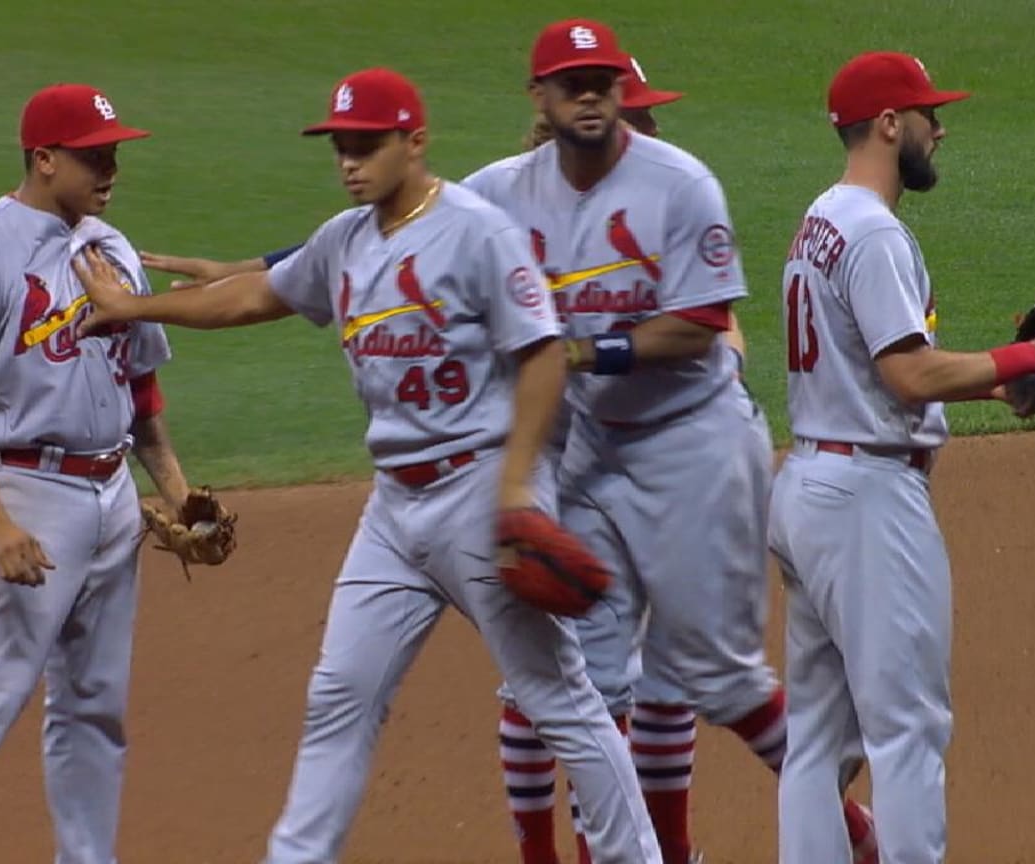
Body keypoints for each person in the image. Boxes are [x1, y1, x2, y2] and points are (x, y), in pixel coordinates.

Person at [73, 66, 660, 864]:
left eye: (366, 145)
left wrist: (519, 487)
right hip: (393, 513)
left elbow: (545, 356)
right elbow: (252, 298)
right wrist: (135, 309)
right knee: (339, 698)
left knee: (561, 700)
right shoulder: (344, 241)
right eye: (340, 146)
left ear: (414, 142)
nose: (349, 161)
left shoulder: (477, 232)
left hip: (478, 491)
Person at [461, 19, 878, 864]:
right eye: (602, 97)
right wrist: (275, 273)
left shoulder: (679, 187)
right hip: (588, 451)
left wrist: (582, 351)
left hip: (691, 449)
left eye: (624, 100)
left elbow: (704, 327)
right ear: (544, 104)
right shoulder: (508, 193)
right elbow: (401, 230)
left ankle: (861, 831)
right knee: (590, 682)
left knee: (711, 676)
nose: (632, 122)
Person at [768, 52, 1035, 863]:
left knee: (818, 742)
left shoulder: (821, 217)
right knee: (907, 731)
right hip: (865, 502)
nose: (941, 126)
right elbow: (908, 371)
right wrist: (1027, 359)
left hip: (814, 484)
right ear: (890, 125)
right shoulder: (875, 232)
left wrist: (998, 390)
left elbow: (872, 371)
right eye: (928, 114)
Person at [0, 83, 214, 864]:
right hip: (26, 491)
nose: (111, 168)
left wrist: (178, 492)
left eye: (113, 151)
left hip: (111, 490)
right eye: (93, 155)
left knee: (93, 703)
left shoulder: (113, 249)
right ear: (44, 159)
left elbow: (140, 387)